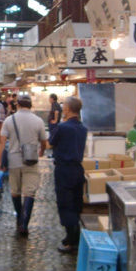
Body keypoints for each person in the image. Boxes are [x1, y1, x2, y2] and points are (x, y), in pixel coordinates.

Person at [0, 95, 48, 236]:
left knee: (15, 191)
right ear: (31, 106)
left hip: (14, 161)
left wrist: (0, 161)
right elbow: (44, 141)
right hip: (31, 159)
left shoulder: (9, 120)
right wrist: (41, 151)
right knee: (29, 192)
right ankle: (24, 225)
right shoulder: (38, 121)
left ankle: (19, 218)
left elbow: (2, 142)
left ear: (18, 105)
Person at [49, 96, 88, 253]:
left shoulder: (63, 127)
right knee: (76, 203)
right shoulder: (82, 128)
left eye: (64, 106)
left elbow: (51, 142)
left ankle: (73, 241)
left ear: (67, 109)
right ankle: (71, 236)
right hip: (78, 170)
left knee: (65, 204)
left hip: (64, 169)